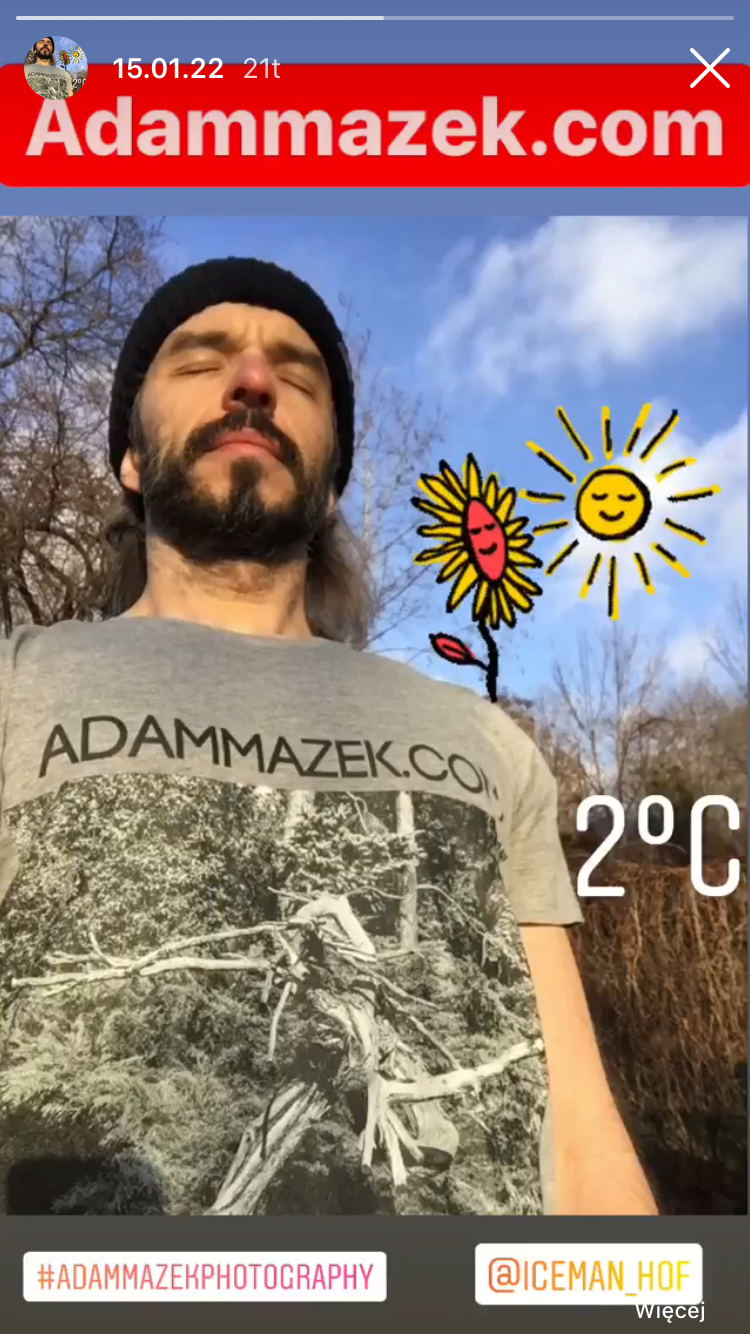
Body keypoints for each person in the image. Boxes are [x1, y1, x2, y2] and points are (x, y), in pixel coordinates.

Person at [0, 258, 657, 1218]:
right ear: (131, 459)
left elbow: (583, 1143)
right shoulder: (18, 685)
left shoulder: (484, 740)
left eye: (297, 377)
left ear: (335, 480)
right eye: (201, 361)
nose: (252, 381)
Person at [24, 36, 73, 100]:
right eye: (41, 42)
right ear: (35, 51)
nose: (45, 44)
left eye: (49, 43)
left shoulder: (65, 74)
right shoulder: (24, 70)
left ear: (52, 51)